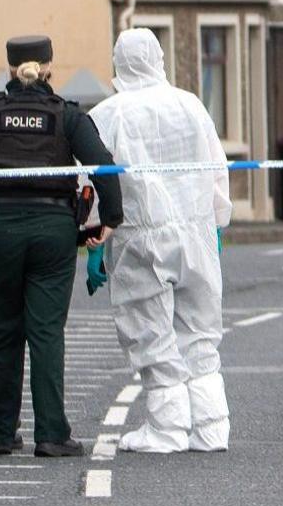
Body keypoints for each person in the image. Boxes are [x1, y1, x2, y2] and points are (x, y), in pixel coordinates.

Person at [0, 35, 121, 457]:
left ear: (8, 71)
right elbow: (104, 165)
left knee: (0, 332)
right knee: (45, 332)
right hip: (52, 231)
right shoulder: (66, 116)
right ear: (48, 69)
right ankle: (52, 434)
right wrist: (110, 219)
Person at [87, 28, 232, 454]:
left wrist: (94, 238)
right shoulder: (190, 105)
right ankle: (211, 428)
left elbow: (93, 180)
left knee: (148, 328)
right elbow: (215, 164)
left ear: (118, 63)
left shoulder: (107, 114)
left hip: (140, 233)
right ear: (160, 59)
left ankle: (167, 429)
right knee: (200, 330)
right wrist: (217, 220)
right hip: (195, 230)